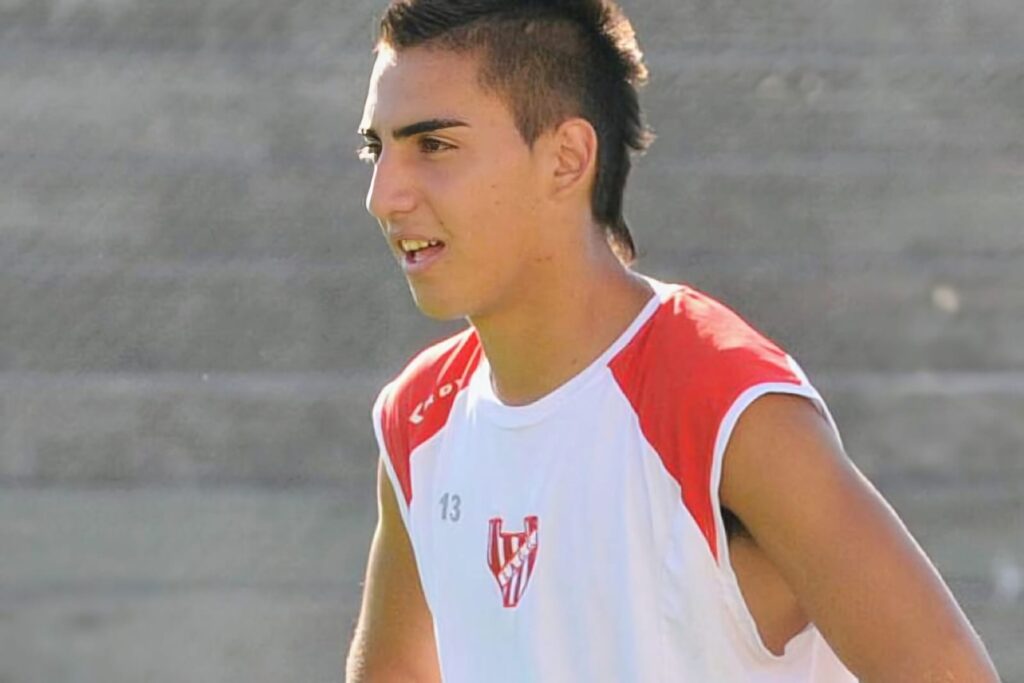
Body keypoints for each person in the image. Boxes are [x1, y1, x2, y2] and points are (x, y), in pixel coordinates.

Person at [345, 1, 1000, 681]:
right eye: (376, 148)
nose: (383, 194)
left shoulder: (726, 405)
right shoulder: (419, 419)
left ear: (567, 159)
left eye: (434, 145)